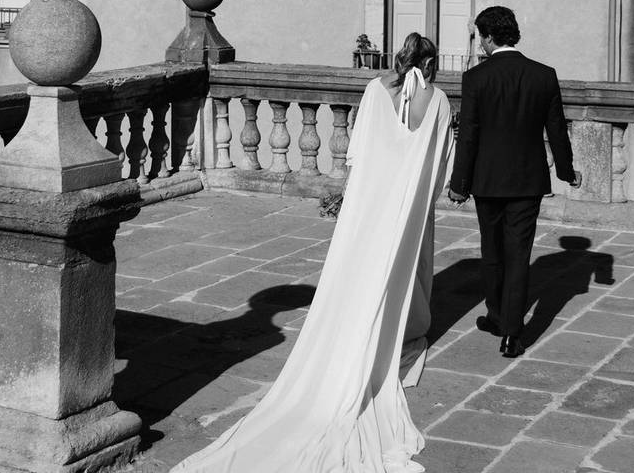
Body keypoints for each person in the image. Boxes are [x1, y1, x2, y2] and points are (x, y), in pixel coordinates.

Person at [171, 33, 454, 473]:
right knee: (398, 272)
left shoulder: (376, 89)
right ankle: (388, 331)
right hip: (406, 209)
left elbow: (356, 156)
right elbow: (437, 165)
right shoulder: (438, 102)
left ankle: (352, 334)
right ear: (432, 62)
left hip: (368, 207)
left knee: (356, 273)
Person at [448, 6, 581, 359]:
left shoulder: (476, 78)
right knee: (519, 255)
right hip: (528, 180)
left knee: (492, 252)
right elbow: (557, 129)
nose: (479, 44)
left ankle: (496, 315)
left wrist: (459, 182)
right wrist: (567, 171)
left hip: (487, 180)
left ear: (489, 37)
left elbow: (469, 136)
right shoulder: (543, 75)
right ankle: (511, 332)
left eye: (480, 36)